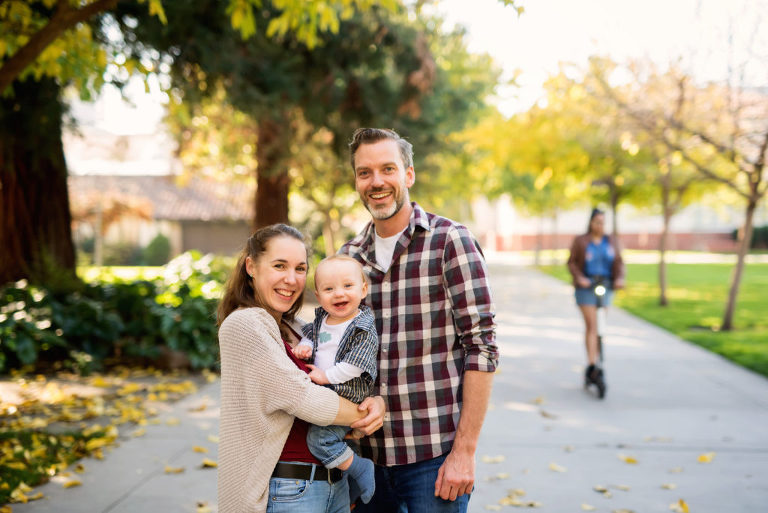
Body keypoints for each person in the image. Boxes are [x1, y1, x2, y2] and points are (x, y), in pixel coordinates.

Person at [339, 128, 499, 513]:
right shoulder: (349, 258)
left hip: (434, 459)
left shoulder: (450, 241)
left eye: (387, 169)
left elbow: (481, 347)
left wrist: (465, 452)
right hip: (364, 461)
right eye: (365, 173)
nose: (376, 182)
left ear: (408, 175)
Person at [216, 224, 385, 513]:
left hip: (333, 482)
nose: (291, 279)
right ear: (251, 266)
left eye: (300, 268)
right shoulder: (245, 324)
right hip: (290, 489)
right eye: (279, 266)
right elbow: (308, 400)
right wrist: (366, 412)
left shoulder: (295, 328)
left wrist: (376, 401)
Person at [292, 255, 379, 505]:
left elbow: (356, 365)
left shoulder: (362, 326)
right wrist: (306, 347)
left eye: (347, 286)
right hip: (325, 394)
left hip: (347, 393)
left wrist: (325, 376)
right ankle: (350, 481)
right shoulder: (322, 320)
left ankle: (361, 469)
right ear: (319, 296)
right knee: (334, 440)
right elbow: (311, 336)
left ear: (363, 290)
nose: (338, 294)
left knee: (320, 440)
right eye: (329, 289)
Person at [566, 208, 625, 389]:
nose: (600, 226)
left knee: (601, 326)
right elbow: (572, 263)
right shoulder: (581, 241)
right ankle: (592, 364)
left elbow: (619, 262)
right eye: (597, 222)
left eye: (603, 222)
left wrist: (620, 278)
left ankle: (598, 361)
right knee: (592, 325)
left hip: (605, 286)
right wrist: (580, 278)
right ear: (591, 222)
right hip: (586, 288)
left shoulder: (611, 241)